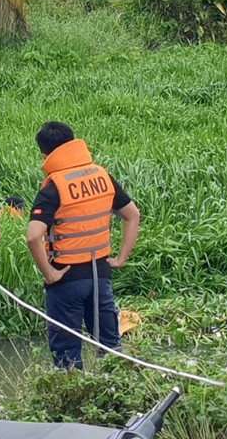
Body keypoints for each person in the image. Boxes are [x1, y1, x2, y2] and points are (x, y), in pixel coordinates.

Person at [26, 122, 141, 371]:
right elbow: (133, 215)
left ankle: (73, 406)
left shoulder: (54, 186)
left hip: (66, 280)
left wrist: (49, 274)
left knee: (67, 356)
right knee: (111, 349)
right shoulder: (102, 175)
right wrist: (120, 259)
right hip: (100, 275)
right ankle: (119, 403)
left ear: (45, 154)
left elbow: (33, 236)